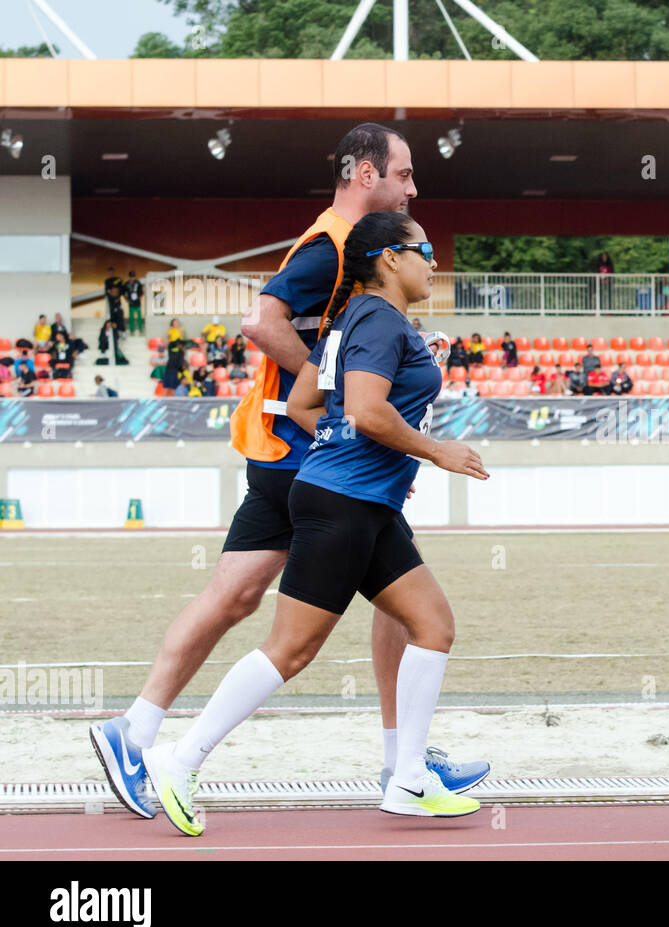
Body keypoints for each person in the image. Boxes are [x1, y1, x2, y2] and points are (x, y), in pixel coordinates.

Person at [90, 123, 487, 822]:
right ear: (367, 176)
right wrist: (360, 398)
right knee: (291, 638)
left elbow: (342, 376)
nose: (412, 187)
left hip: (321, 458)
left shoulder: (368, 297)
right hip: (303, 459)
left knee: (256, 595)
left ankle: (402, 761)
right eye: (404, 175)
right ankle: (175, 751)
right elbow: (260, 321)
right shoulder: (332, 246)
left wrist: (365, 379)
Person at [125, 271, 145, 336]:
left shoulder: (138, 283)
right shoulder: (127, 284)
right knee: (131, 318)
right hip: (131, 303)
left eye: (133, 276)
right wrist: (126, 299)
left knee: (139, 317)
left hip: (137, 303)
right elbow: (124, 292)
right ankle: (132, 331)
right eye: (131, 277)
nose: (132, 278)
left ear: (135, 277)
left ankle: (140, 330)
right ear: (129, 277)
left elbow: (142, 292)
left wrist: (140, 297)